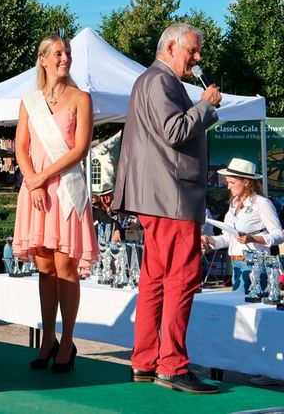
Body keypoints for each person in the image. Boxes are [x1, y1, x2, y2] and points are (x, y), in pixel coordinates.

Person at [113, 23, 223, 394]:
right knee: (181, 279)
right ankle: (173, 366)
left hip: (158, 198)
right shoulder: (162, 82)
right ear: (172, 47)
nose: (197, 57)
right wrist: (205, 106)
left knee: (155, 281)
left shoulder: (147, 81)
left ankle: (145, 361)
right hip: (173, 198)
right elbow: (173, 131)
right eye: (192, 50)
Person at [11, 31, 98, 374]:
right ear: (43, 60)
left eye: (68, 53)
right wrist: (32, 181)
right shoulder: (29, 101)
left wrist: (41, 178)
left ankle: (67, 341)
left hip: (64, 191)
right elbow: (20, 145)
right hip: (36, 192)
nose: (65, 58)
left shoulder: (81, 98)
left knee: (66, 270)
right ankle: (46, 339)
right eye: (58, 53)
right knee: (44, 269)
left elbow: (80, 150)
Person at [201, 158, 284, 293]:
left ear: (246, 182)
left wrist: (252, 239)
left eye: (232, 182)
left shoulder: (262, 203)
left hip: (255, 266)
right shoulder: (233, 204)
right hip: (236, 266)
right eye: (228, 182)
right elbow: (228, 238)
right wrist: (209, 239)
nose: (228, 187)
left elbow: (279, 235)